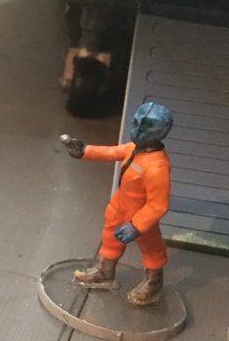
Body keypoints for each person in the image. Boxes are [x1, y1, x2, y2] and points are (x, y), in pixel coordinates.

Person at [60, 101, 173, 305]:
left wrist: (136, 225)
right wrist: (84, 150)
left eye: (146, 126)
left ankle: (154, 282)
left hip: (141, 219)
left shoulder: (157, 167)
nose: (138, 129)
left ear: (159, 131)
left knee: (151, 248)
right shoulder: (133, 149)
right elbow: (111, 152)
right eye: (136, 122)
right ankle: (105, 271)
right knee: (110, 239)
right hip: (119, 208)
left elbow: (158, 205)